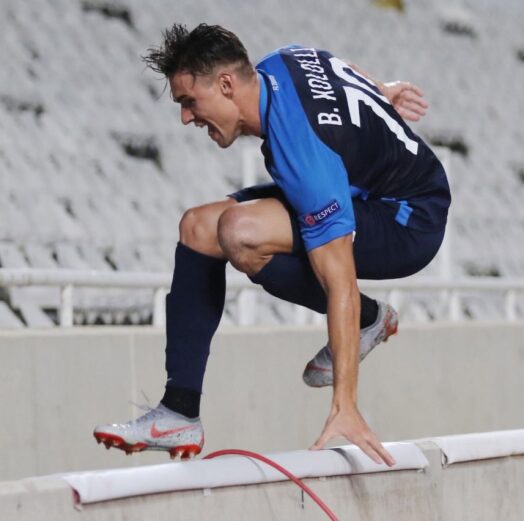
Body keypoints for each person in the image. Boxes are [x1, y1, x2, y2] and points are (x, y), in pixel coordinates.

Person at [93, 24, 450, 466]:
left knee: (240, 232)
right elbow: (339, 69)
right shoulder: (283, 60)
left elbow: (339, 278)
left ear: (226, 84)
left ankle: (369, 321)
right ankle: (178, 411)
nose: (186, 117)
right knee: (198, 228)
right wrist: (380, 90)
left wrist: (345, 406)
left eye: (189, 101)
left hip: (409, 220)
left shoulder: (304, 157)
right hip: (359, 182)